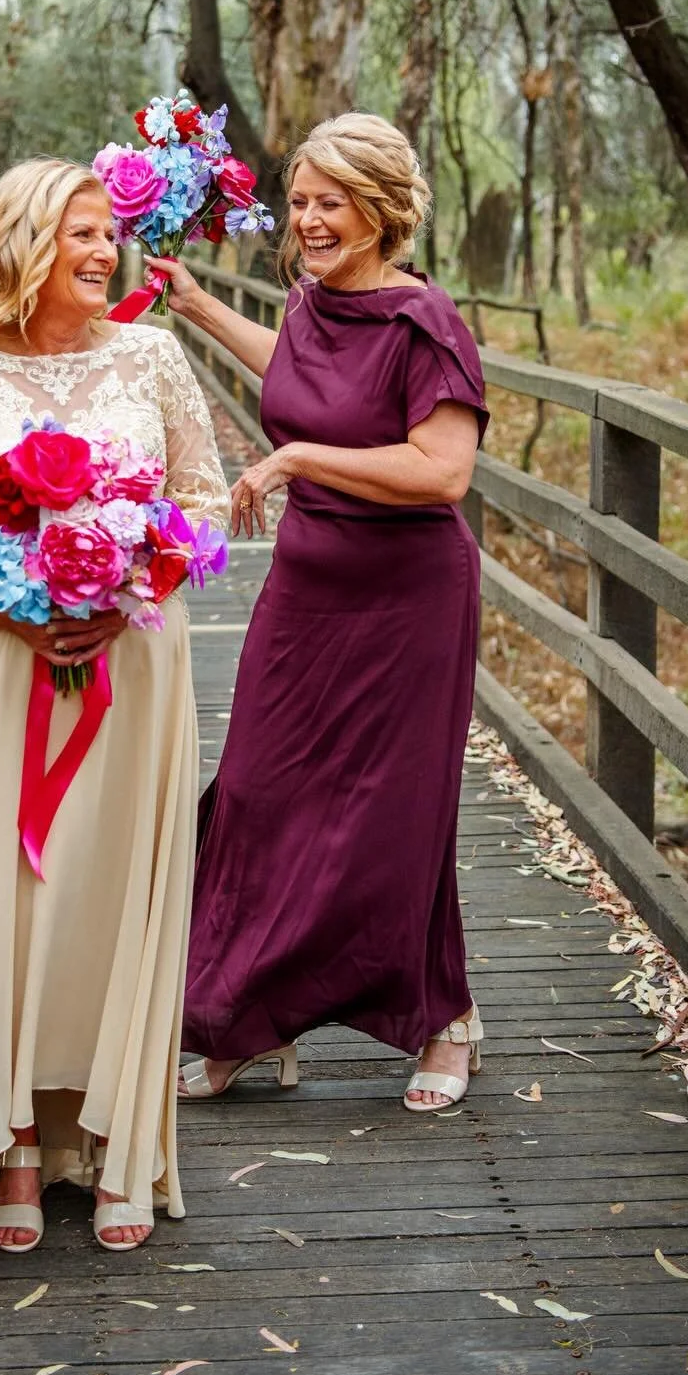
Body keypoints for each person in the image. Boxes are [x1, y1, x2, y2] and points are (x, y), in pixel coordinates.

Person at [0, 158, 227, 1253]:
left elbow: (204, 501)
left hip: (130, 661)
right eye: (80, 231)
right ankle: (14, 1139)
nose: (104, 249)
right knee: (4, 900)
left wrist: (126, 586)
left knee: (108, 897)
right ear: (22, 242)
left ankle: (119, 1142)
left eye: (108, 232)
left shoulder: (152, 355)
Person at [153, 113, 489, 1112]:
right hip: (307, 586)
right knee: (257, 792)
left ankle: (445, 1018)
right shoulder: (314, 302)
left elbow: (443, 471)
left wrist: (297, 459)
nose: (307, 220)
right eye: (299, 201)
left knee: (394, 814)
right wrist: (199, 305)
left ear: (380, 210)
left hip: (408, 596)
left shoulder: (426, 321)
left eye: (330, 202)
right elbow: (302, 368)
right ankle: (247, 1014)